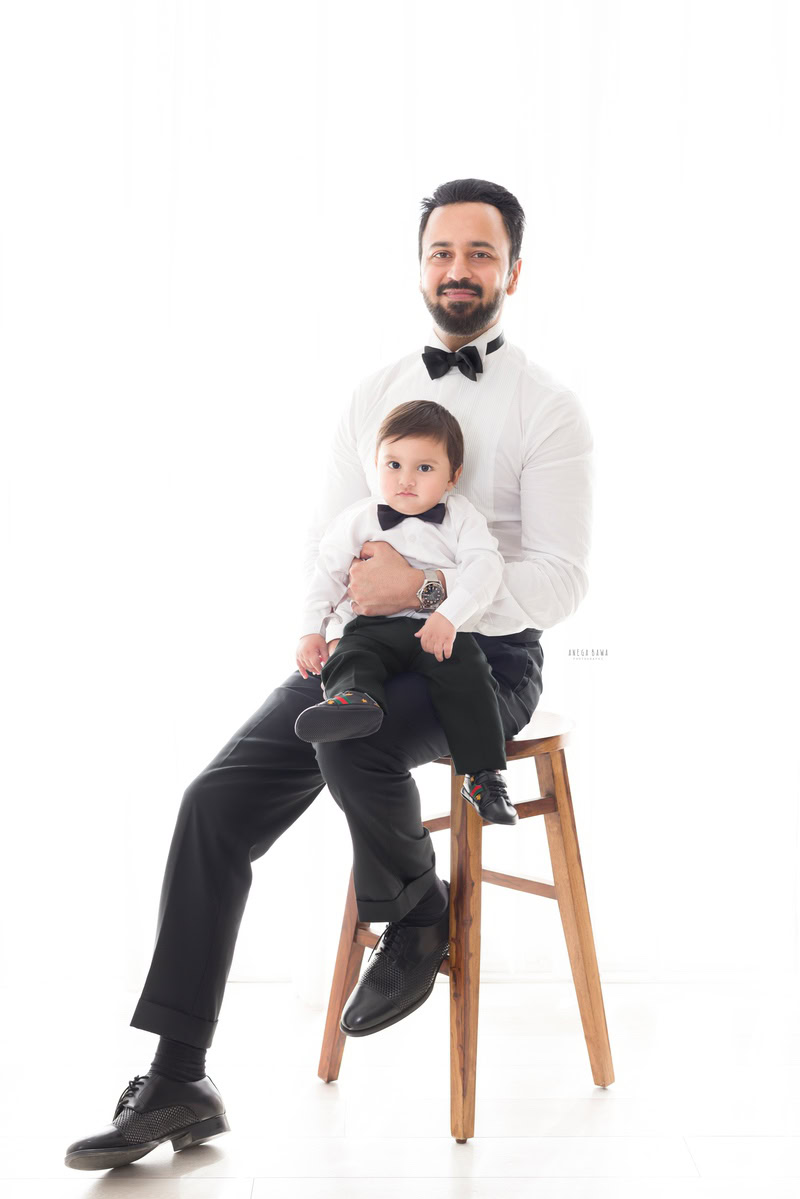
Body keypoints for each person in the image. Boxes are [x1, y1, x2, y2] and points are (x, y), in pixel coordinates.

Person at [65, 177, 593, 1170]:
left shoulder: (548, 409)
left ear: (513, 271)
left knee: (360, 735)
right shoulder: (372, 392)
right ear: (420, 264)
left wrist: (433, 596)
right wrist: (322, 626)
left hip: (482, 658)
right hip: (359, 650)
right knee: (212, 801)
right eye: (442, 250)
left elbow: (562, 580)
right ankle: (179, 1077)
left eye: (480, 253)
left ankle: (413, 914)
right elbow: (330, 538)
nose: (459, 269)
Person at [294, 396, 528, 828]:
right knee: (350, 654)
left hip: (435, 631)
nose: (406, 479)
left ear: (453, 476)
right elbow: (325, 576)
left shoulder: (462, 518)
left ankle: (483, 776)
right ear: (375, 465)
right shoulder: (357, 519)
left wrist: (449, 614)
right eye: (394, 465)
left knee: (470, 672)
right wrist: (312, 629)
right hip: (372, 629)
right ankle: (354, 702)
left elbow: (486, 567)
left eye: (425, 468)